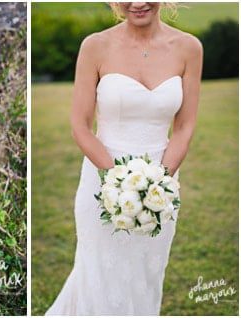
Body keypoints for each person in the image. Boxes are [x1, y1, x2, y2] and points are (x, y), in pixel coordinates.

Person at [46, 2, 202, 315]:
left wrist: (157, 183)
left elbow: (184, 127)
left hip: (162, 184)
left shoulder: (189, 48)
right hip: (102, 180)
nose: (138, 2)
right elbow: (80, 125)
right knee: (99, 277)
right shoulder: (95, 46)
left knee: (144, 279)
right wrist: (119, 181)